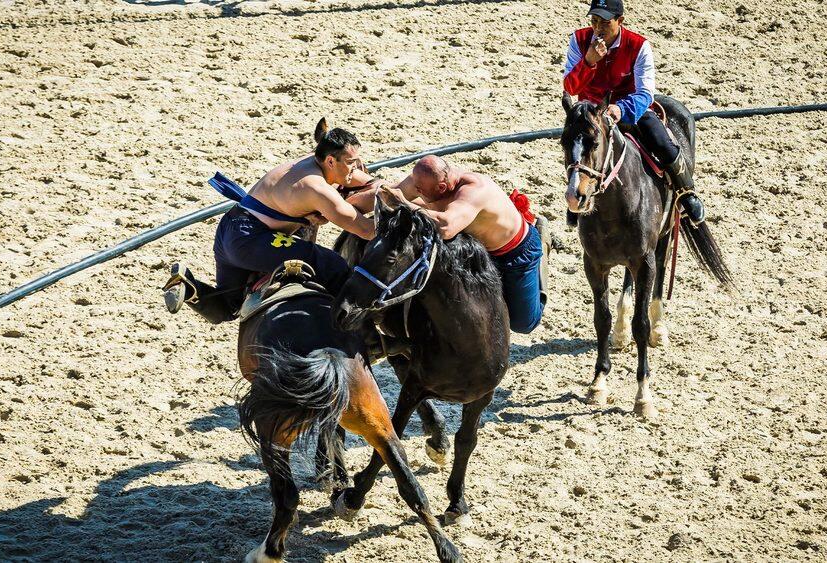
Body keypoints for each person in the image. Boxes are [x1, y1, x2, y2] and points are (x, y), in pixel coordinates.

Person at [162, 122, 377, 323]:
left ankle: (189, 288)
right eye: (351, 163)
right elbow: (366, 230)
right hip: (252, 239)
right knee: (333, 264)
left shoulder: (307, 162)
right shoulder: (316, 187)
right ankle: (360, 331)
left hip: (229, 229)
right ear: (331, 160)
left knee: (230, 306)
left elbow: (369, 183)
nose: (356, 167)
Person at [562, 0, 705, 226]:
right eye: (594, 21)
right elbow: (571, 87)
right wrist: (589, 61)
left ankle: (687, 192)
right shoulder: (578, 40)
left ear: (620, 21)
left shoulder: (639, 46)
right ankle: (575, 193)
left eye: (605, 23)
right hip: (591, 114)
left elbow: (646, 92)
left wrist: (621, 108)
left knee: (662, 142)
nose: (597, 28)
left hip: (629, 109)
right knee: (574, 147)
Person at [377, 155, 550, 334]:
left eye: (420, 190)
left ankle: (543, 246)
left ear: (442, 187)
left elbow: (446, 227)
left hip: (516, 252)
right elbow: (389, 192)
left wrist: (403, 203)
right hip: (476, 248)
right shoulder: (426, 180)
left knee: (523, 324)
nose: (417, 192)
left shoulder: (474, 190)